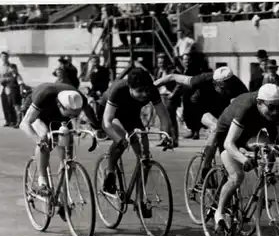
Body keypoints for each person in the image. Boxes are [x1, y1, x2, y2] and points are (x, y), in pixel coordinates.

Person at [211, 84, 279, 230]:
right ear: (259, 103)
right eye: (271, 107)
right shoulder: (245, 108)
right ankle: (219, 213)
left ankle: (260, 190)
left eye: (278, 107)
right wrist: (244, 159)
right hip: (228, 135)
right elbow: (229, 143)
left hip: (250, 133)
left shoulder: (277, 107)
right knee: (237, 176)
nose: (275, 112)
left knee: (269, 149)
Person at [20, 82, 101, 221]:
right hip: (37, 113)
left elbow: (89, 114)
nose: (72, 118)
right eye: (70, 114)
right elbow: (24, 123)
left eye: (74, 116)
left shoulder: (79, 98)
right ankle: (42, 182)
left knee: (68, 154)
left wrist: (96, 127)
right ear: (60, 106)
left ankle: (62, 193)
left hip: (59, 117)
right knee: (45, 136)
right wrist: (39, 141)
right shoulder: (45, 95)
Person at [154, 66, 248, 182]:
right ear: (215, 82)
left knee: (225, 138)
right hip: (196, 108)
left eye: (229, 87)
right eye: (223, 88)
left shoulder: (238, 85)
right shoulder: (204, 78)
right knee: (216, 126)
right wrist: (150, 86)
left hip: (219, 109)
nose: (226, 91)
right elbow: (172, 77)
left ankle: (224, 168)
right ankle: (206, 169)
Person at [100, 68, 173, 200]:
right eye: (139, 91)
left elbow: (163, 116)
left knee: (144, 155)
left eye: (147, 91)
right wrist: (119, 139)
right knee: (122, 138)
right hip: (110, 112)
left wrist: (165, 134)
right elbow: (107, 121)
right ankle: (110, 173)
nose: (145, 95)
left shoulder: (151, 90)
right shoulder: (118, 89)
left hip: (131, 113)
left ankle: (140, 199)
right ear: (129, 87)